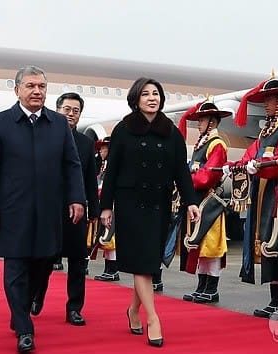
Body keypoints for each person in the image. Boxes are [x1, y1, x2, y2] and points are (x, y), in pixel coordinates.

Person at [0, 66, 85, 353]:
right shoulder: (0, 123)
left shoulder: (59, 124)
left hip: (50, 211)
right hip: (13, 211)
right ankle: (24, 328)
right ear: (17, 90)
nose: (37, 91)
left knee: (43, 264)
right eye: (30, 86)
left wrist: (77, 199)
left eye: (41, 86)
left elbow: (72, 165)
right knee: (15, 269)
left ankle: (27, 304)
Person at [99, 77, 200, 347]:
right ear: (136, 99)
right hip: (131, 202)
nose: (152, 98)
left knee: (148, 263)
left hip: (158, 203)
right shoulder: (123, 129)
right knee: (143, 263)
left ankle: (133, 310)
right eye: (146, 94)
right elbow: (112, 172)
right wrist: (105, 206)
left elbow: (181, 169)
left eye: (156, 94)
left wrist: (191, 201)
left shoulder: (171, 131)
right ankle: (153, 318)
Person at [227, 78, 278, 319]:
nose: (266, 105)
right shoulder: (268, 129)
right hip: (267, 192)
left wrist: (257, 166)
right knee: (269, 243)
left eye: (269, 100)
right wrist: (237, 165)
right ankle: (275, 300)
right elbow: (253, 154)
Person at [30, 92, 99, 326]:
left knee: (79, 262)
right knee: (45, 260)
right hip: (49, 210)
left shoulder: (86, 144)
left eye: (75, 111)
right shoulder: (42, 137)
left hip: (77, 212)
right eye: (66, 109)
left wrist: (95, 211)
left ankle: (74, 309)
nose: (71, 114)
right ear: (57, 110)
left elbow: (91, 180)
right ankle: (37, 296)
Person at [177, 101, 230, 303]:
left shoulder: (217, 144)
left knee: (212, 246)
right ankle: (202, 287)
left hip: (210, 202)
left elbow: (207, 177)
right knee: (200, 245)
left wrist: (186, 179)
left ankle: (211, 289)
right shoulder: (202, 143)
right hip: (199, 200)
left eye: (202, 120)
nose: (198, 123)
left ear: (212, 122)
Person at [93, 137, 120, 282]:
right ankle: (108, 268)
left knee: (110, 237)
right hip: (104, 202)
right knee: (105, 236)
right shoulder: (104, 165)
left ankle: (113, 269)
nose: (101, 151)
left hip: (113, 204)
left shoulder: (112, 165)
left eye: (104, 148)